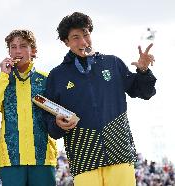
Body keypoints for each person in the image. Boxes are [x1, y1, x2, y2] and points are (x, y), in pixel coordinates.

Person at [44, 12, 156, 186]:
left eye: (86, 34)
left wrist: (143, 71)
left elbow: (144, 92)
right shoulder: (57, 76)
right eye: (75, 37)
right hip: (84, 160)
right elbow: (50, 124)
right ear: (66, 42)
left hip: (119, 154)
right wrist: (57, 124)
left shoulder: (112, 63)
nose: (83, 42)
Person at [0, 29, 57, 186]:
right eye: (13, 47)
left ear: (33, 50)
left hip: (42, 159)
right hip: (11, 160)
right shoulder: (1, 80)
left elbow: (58, 113)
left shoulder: (47, 78)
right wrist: (3, 76)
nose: (18, 51)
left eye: (23, 46)